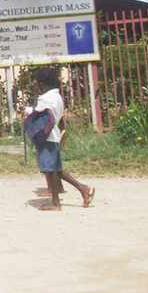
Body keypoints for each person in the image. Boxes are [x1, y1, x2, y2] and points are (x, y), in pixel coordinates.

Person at [30, 67, 95, 211]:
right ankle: (83, 189)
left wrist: (30, 110)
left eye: (36, 81)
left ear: (41, 83)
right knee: (57, 170)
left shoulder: (44, 98)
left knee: (50, 169)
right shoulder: (57, 96)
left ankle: (55, 203)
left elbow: (37, 117)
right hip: (54, 136)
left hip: (46, 137)